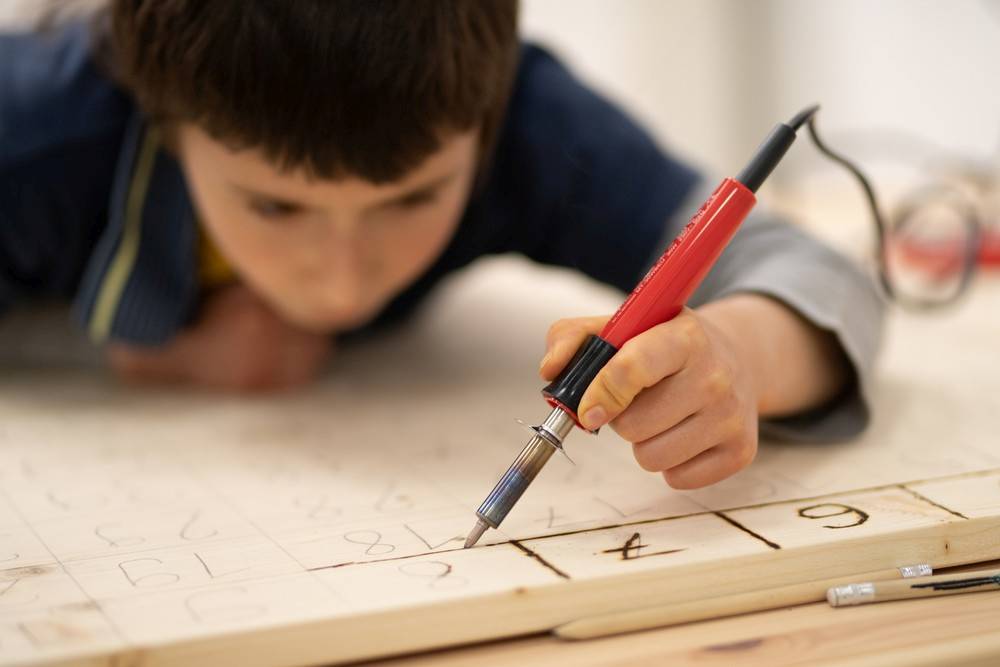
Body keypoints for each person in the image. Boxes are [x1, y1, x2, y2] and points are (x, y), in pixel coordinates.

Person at [0, 1, 884, 490]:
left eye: (414, 197)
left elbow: (810, 267)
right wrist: (123, 353)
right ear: (163, 119)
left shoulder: (526, 121)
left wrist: (739, 351)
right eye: (275, 207)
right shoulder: (36, 139)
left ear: (488, 120)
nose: (343, 282)